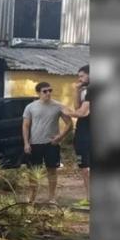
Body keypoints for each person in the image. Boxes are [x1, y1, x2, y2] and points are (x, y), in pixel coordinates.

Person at [22, 81, 73, 204]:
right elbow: (25, 126)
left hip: (51, 144)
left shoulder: (58, 106)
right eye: (45, 91)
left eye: (50, 90)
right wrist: (26, 143)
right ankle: (32, 197)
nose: (48, 93)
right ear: (38, 92)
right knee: (34, 171)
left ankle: (51, 198)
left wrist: (60, 137)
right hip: (35, 143)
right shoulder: (30, 107)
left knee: (52, 170)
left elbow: (69, 124)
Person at [61, 65, 90, 205]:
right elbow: (78, 106)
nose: (79, 79)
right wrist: (76, 91)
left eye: (82, 76)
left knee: (87, 168)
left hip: (87, 133)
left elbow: (81, 113)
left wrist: (67, 112)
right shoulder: (85, 90)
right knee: (85, 168)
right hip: (84, 132)